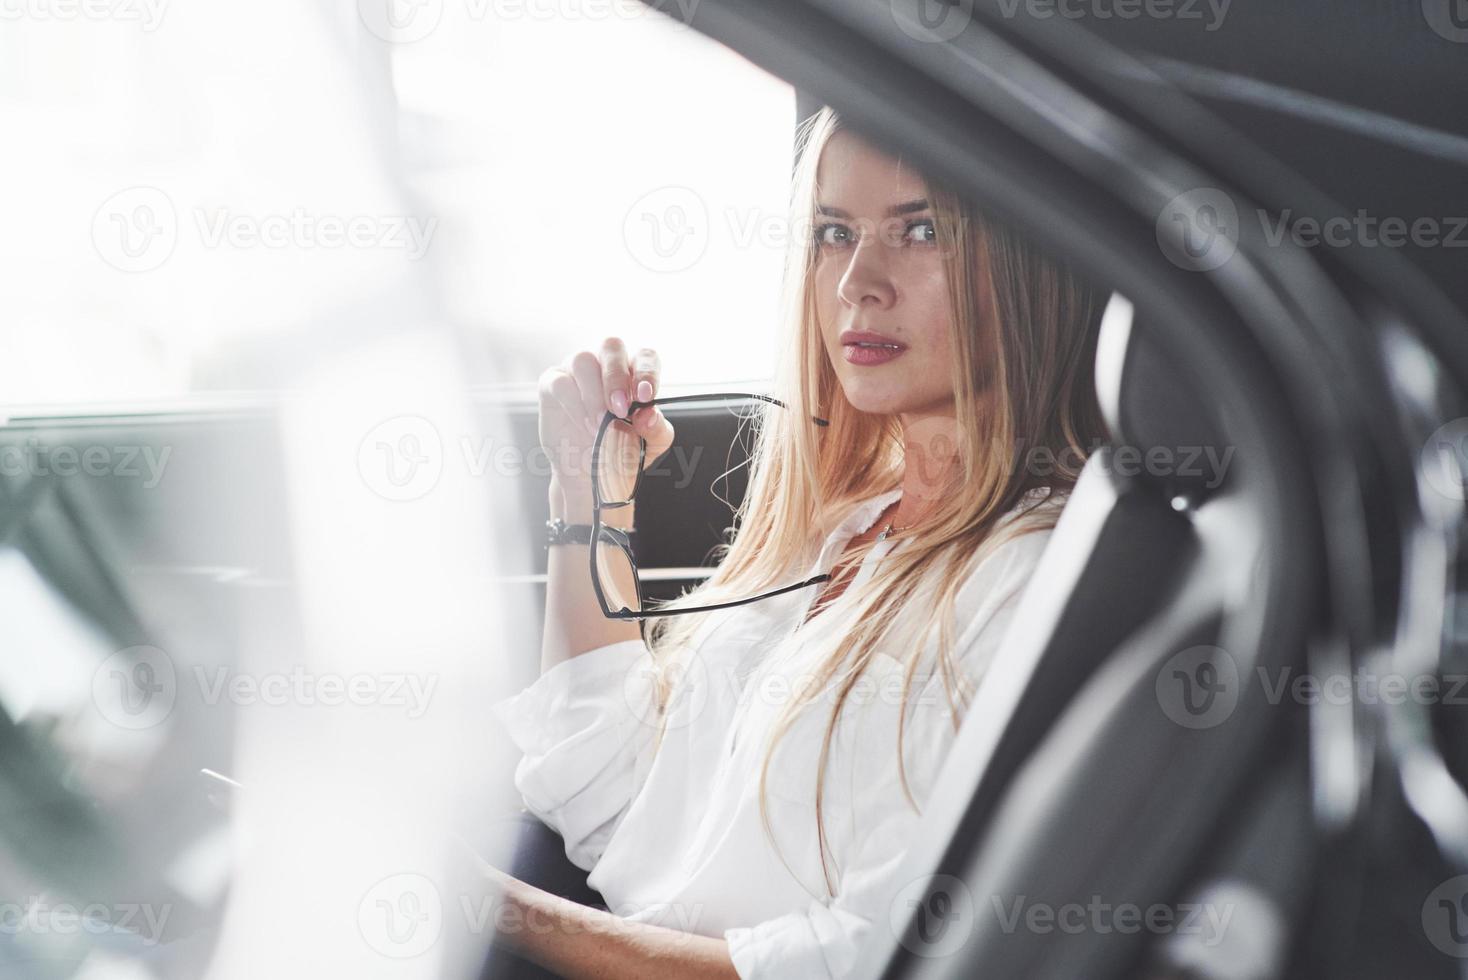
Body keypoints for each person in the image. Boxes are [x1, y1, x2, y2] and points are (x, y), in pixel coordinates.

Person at [482, 105, 1109, 978]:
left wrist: (498, 912)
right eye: (832, 232)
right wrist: (589, 491)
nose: (857, 281)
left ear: (1031, 264)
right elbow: (613, 803)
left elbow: (860, 963)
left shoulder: (1021, 578)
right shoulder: (846, 523)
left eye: (921, 230)